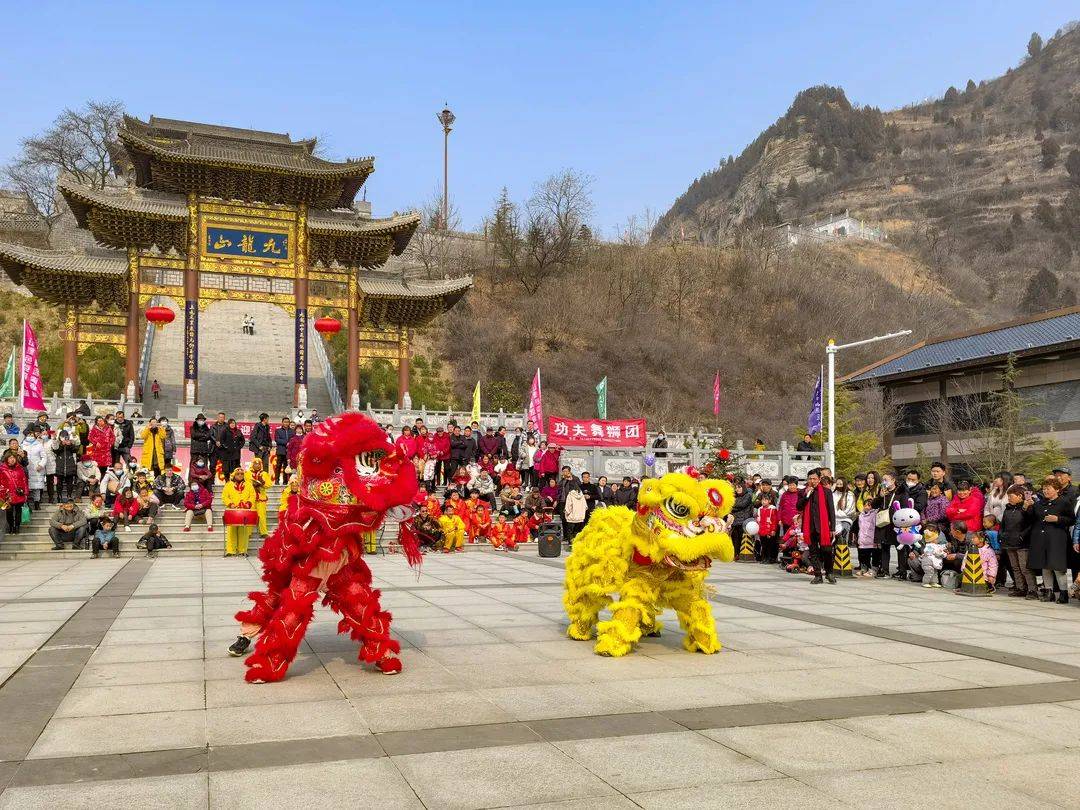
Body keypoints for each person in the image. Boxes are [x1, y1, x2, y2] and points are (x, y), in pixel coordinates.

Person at [1028, 476, 1075, 604]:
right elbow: (1031, 519)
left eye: (1048, 489)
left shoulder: (1064, 502)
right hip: (1040, 538)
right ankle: (1049, 593)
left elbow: (1072, 520)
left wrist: (1058, 519)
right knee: (1044, 566)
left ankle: (1063, 593)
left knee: (1057, 566)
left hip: (1057, 538)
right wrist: (1027, 508)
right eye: (1044, 489)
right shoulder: (1039, 503)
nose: (1045, 491)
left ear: (1057, 489)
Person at [798, 468, 836, 584]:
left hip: (823, 527)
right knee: (813, 552)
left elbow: (831, 511)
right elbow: (799, 507)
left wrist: (832, 528)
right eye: (810, 479)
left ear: (819, 479)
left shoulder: (826, 492)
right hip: (810, 526)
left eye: (814, 478)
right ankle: (818, 575)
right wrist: (807, 495)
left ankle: (829, 573)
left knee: (827, 550)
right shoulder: (804, 492)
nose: (812, 481)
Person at [999, 484, 1034, 598]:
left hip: (1022, 543)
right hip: (1009, 542)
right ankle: (1020, 588)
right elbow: (1002, 525)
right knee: (1015, 567)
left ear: (1020, 496)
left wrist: (1022, 536)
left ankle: (1032, 589)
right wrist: (1002, 535)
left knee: (1025, 567)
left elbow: (1030, 523)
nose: (1009, 498)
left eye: (1011, 496)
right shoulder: (1007, 509)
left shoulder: (1026, 507)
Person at [222, 467, 255, 557]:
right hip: (232, 510)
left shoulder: (249, 485)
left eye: (241, 474)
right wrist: (230, 504)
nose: (240, 475)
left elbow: (252, 495)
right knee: (231, 531)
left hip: (244, 511)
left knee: (243, 531)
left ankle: (242, 550)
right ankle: (230, 550)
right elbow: (224, 496)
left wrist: (248, 503)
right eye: (238, 474)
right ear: (234, 475)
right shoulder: (228, 485)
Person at [0, 451, 27, 534]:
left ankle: (17, 527)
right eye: (10, 458)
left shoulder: (20, 468)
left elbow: (24, 480)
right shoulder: (2, 469)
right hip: (7, 495)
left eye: (13, 458)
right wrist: (3, 492)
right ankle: (11, 527)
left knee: (18, 512)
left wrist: (25, 493)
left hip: (19, 494)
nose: (12, 459)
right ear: (6, 459)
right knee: (9, 512)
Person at [21, 427, 47, 511]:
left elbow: (44, 457)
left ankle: (37, 503)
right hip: (26, 469)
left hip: (37, 469)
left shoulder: (39, 445)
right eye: (29, 435)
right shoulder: (22, 445)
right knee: (26, 487)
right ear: (26, 436)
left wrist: (41, 465)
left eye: (32, 435)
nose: (30, 436)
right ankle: (27, 504)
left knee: (36, 488)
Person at [246, 458, 272, 536]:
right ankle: (248, 533)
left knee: (262, 515)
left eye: (259, 464)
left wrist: (262, 484)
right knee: (250, 515)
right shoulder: (247, 473)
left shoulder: (264, 473)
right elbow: (245, 483)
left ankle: (263, 532)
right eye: (255, 464)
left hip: (261, 498)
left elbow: (269, 484)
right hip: (251, 497)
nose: (257, 465)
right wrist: (253, 484)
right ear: (252, 465)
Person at [52, 430, 80, 502]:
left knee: (70, 482)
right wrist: (61, 443)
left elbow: (76, 449)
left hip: (70, 466)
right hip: (60, 466)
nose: (64, 438)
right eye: (62, 436)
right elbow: (56, 450)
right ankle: (59, 496)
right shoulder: (57, 443)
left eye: (65, 436)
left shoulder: (71, 444)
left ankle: (69, 495)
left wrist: (70, 444)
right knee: (59, 483)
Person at [562, 481, 587, 547]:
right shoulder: (581, 495)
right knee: (577, 531)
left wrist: (566, 513)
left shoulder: (570, 494)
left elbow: (568, 506)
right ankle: (577, 543)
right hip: (580, 517)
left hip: (572, 517)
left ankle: (570, 544)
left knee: (570, 531)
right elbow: (585, 506)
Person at [273, 417, 292, 484]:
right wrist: (286, 442)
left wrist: (290, 443)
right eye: (285, 422)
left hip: (288, 452)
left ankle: (285, 481)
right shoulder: (278, 431)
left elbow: (293, 440)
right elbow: (277, 439)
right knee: (278, 466)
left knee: (286, 466)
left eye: (287, 422)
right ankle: (276, 480)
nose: (286, 423)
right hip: (281, 451)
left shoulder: (292, 431)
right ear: (282, 423)